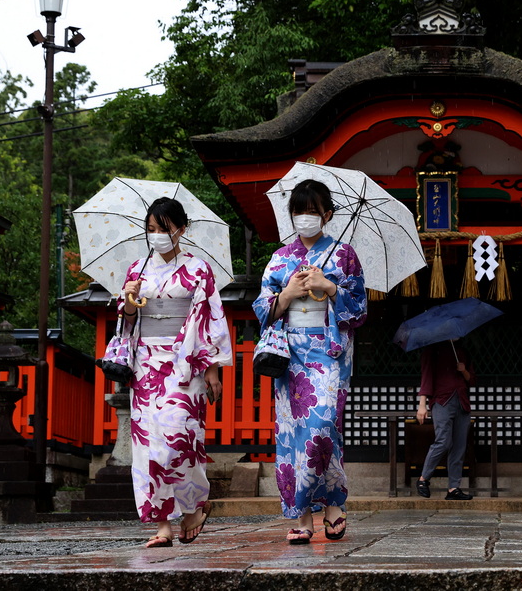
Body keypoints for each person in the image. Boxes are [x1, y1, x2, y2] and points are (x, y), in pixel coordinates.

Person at [253, 179, 367, 545]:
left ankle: (333, 503)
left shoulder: (344, 254)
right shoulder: (279, 259)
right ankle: (303, 516)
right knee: (291, 433)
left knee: (322, 426)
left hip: (328, 350)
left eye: (312, 211)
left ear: (327, 215)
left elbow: (360, 309)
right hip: (290, 353)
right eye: (298, 211)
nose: (305, 218)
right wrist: (286, 294)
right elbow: (262, 309)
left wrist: (330, 287)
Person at [116, 196, 231, 548]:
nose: (157, 236)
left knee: (178, 441)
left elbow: (210, 321)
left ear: (181, 229)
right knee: (149, 448)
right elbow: (126, 325)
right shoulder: (136, 271)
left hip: (185, 364)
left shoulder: (199, 269)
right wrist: (129, 302)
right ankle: (162, 523)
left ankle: (195, 507)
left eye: (163, 229)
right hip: (146, 365)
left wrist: (212, 369)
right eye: (151, 230)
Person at [415, 338, 476, 500]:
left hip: (462, 402)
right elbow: (426, 376)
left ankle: (453, 488)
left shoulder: (462, 352)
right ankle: (423, 479)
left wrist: (463, 370)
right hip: (442, 401)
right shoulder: (432, 351)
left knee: (459, 446)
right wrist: (422, 404)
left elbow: (472, 379)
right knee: (443, 441)